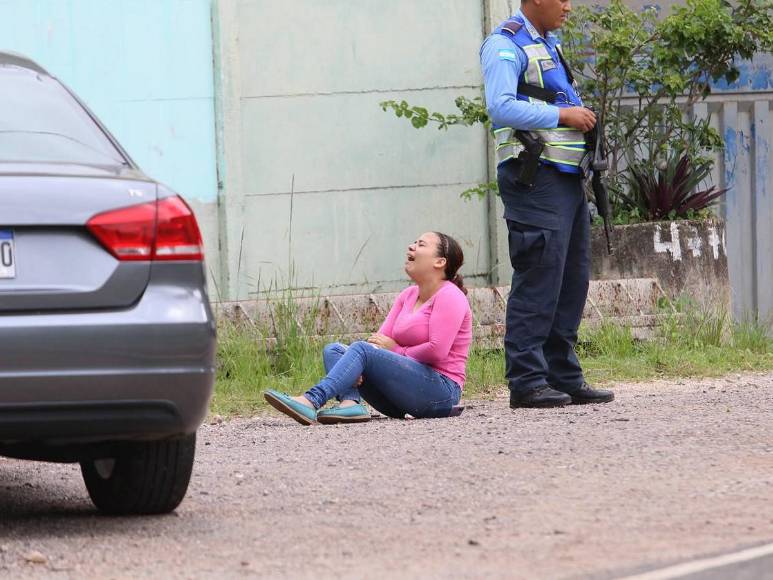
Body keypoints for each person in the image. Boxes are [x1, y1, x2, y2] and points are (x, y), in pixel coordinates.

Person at [480, 0, 614, 408]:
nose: (569, 7)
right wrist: (563, 115)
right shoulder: (505, 44)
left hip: (566, 179)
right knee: (538, 278)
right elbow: (500, 106)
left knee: (572, 279)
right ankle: (527, 381)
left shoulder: (548, 44)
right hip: (534, 179)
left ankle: (563, 375)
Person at [264, 232, 472, 425]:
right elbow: (377, 343)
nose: (411, 247)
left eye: (421, 244)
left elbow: (437, 350)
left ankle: (311, 399)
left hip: (440, 393)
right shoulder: (408, 295)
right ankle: (351, 404)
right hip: (400, 397)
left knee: (361, 351)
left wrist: (395, 350)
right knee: (334, 350)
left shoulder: (450, 296)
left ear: (439, 261)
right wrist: (364, 362)